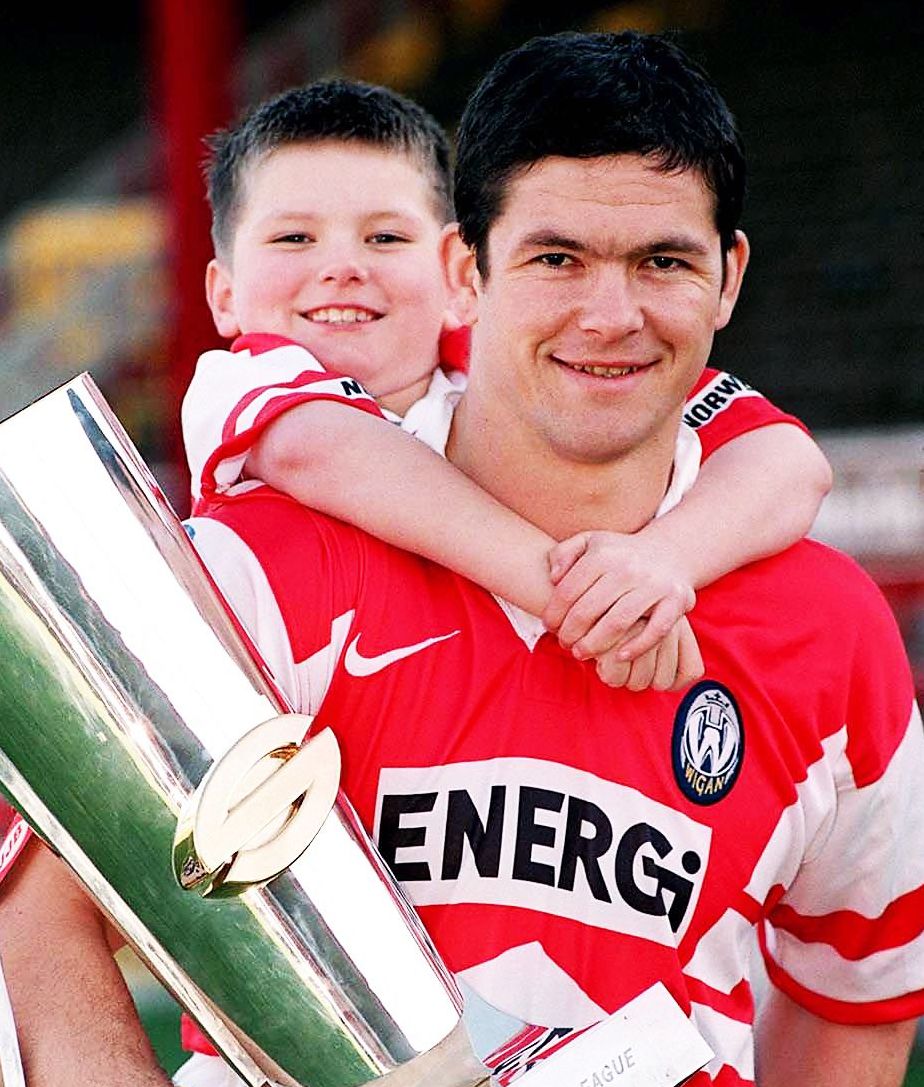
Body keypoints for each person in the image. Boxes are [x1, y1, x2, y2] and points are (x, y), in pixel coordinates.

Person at [1, 41, 919, 1087]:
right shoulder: (267, 552)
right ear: (464, 272)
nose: (610, 315)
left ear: (728, 278)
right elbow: (41, 908)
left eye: (664, 260)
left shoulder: (825, 625)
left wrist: (654, 568)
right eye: (556, 258)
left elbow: (859, 991)